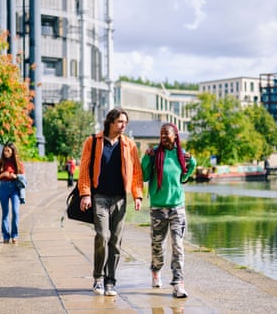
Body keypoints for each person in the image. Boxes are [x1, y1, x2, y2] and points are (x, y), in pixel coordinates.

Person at [78, 108, 143, 296]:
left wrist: (137, 195)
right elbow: (84, 169)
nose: (124, 126)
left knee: (115, 241)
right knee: (102, 236)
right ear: (110, 122)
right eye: (120, 122)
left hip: (120, 199)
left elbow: (137, 172)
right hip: (100, 197)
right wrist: (85, 194)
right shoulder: (93, 141)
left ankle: (110, 281)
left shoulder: (129, 145)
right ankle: (98, 277)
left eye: (125, 122)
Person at [141, 123, 197, 298]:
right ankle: (156, 271)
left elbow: (184, 177)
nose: (164, 137)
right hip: (158, 208)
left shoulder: (181, 155)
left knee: (178, 246)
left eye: (167, 135)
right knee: (158, 245)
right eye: (162, 135)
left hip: (177, 207)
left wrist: (192, 162)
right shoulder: (155, 153)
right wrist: (146, 158)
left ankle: (178, 283)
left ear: (175, 136)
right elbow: (144, 176)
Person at [0, 143, 25, 244]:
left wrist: (15, 176)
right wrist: (2, 174)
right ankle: (6, 235)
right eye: (4, 151)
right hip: (3, 188)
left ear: (13, 152)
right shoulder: (0, 163)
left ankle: (14, 235)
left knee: (15, 212)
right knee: (5, 213)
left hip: (15, 188)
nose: (6, 153)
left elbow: (23, 178)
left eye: (8, 151)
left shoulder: (18, 163)